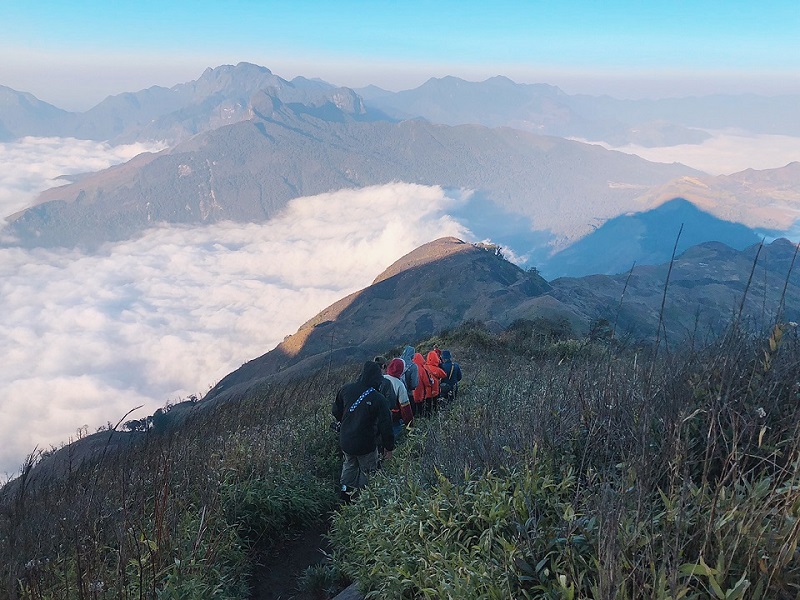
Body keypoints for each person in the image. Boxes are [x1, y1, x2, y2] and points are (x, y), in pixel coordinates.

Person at [332, 361, 394, 502]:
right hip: (366, 443)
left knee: (349, 466)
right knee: (368, 471)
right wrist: (388, 448)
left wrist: (346, 421)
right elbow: (386, 426)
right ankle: (363, 499)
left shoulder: (346, 389)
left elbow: (335, 410)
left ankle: (345, 496)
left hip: (346, 440)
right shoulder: (379, 399)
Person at [385, 358, 414, 436]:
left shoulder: (382, 378)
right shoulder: (399, 384)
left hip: (379, 417)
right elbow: (405, 407)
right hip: (393, 418)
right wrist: (410, 425)